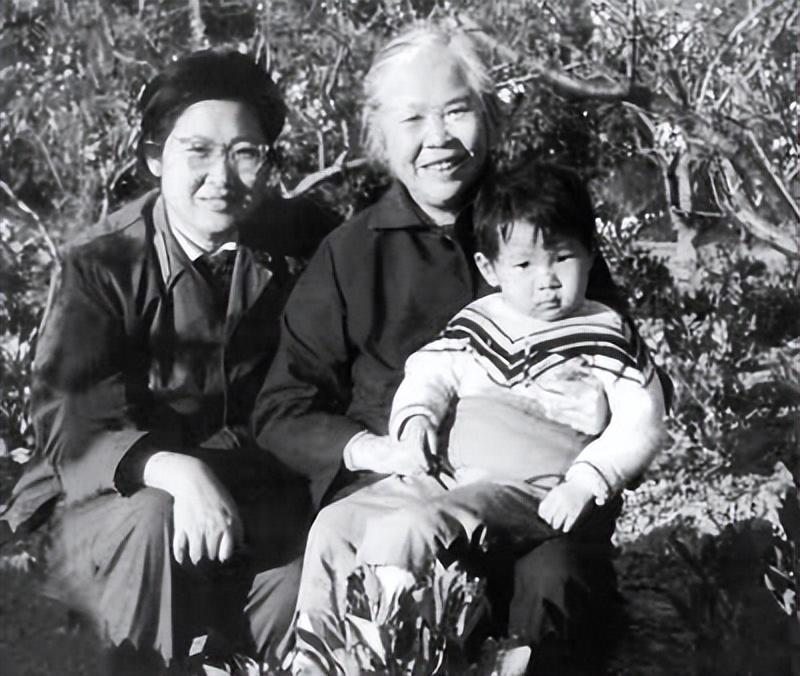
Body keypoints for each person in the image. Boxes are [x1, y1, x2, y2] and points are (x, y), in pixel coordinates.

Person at [254, 23, 657, 675]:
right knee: (349, 554)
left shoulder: (540, 230)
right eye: (413, 119)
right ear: (381, 136)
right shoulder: (349, 255)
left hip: (535, 503)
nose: (437, 138)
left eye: (456, 111)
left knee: (552, 589)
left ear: (489, 117)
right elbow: (284, 410)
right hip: (400, 496)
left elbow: (633, 379)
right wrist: (381, 448)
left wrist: (584, 435)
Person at [1, 50, 332, 674]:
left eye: (245, 153)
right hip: (102, 505)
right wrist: (171, 469)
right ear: (155, 158)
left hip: (241, 500)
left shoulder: (301, 243)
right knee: (155, 515)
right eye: (197, 151)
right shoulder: (101, 263)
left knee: (304, 574)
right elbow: (72, 417)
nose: (221, 177)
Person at [348, 161, 666, 586]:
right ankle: (317, 629)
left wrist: (587, 481)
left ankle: (396, 626)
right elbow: (430, 371)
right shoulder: (479, 320)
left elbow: (641, 419)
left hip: (529, 488)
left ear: (590, 253)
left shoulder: (604, 332)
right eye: (524, 265)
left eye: (562, 258)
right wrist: (417, 417)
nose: (546, 280)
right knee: (339, 525)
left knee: (415, 529)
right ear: (489, 268)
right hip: (450, 476)